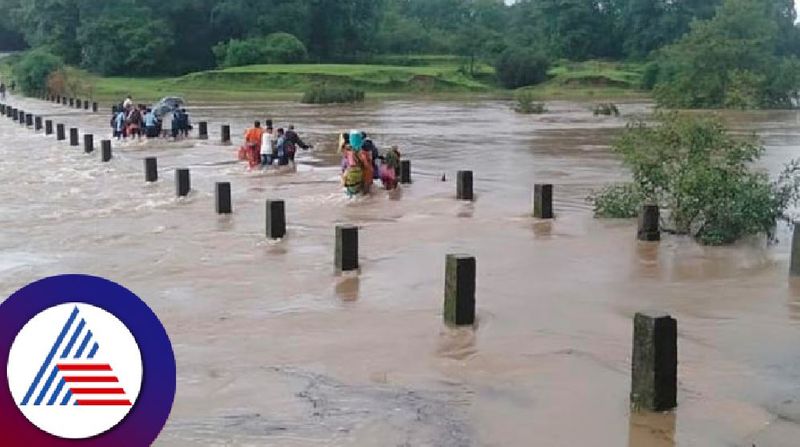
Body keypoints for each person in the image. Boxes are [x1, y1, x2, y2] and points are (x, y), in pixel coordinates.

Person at [341, 130, 374, 196]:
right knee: (362, 194)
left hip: (349, 175)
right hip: (362, 176)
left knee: (350, 194)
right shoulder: (363, 153)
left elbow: (344, 165)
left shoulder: (347, 152)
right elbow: (366, 165)